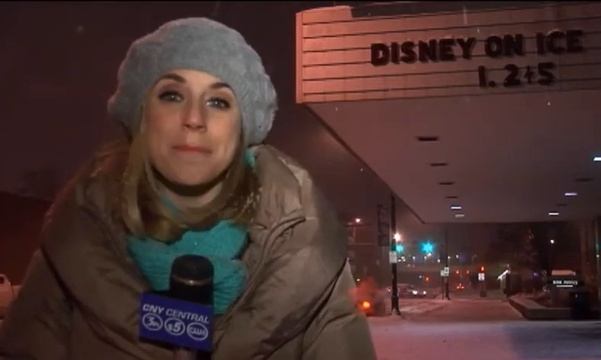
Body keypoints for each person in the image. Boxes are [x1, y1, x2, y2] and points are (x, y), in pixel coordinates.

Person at [0, 17, 376, 359]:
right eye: (172, 95)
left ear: (243, 128)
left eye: (218, 101)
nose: (194, 118)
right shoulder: (71, 239)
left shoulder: (307, 250)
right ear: (141, 114)